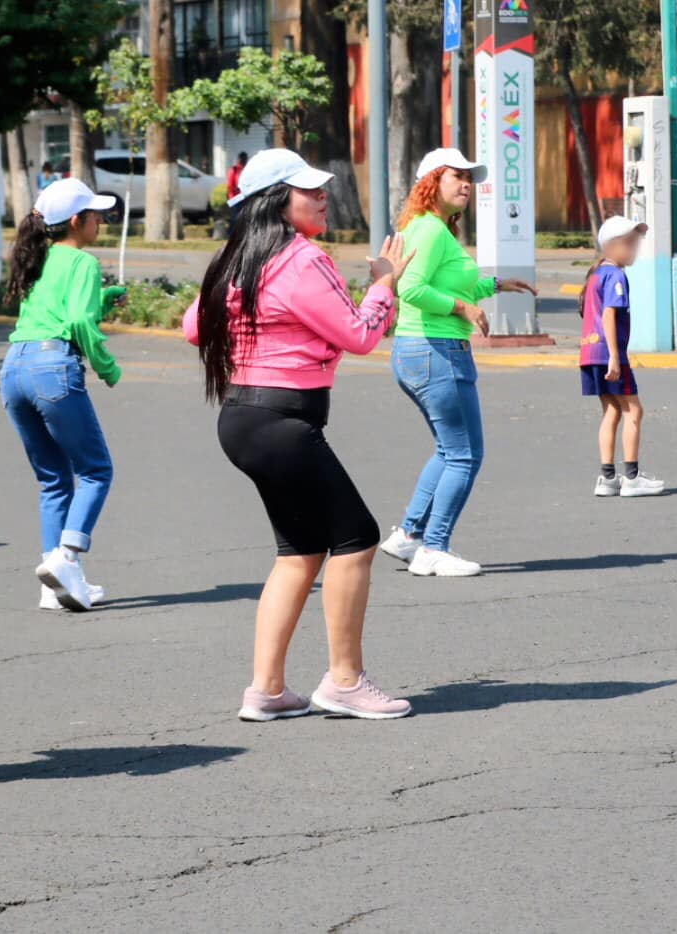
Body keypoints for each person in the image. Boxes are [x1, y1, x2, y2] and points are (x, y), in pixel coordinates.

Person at [184, 148, 415, 721]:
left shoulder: (236, 258)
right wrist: (384, 284)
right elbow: (361, 335)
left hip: (242, 419)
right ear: (276, 201)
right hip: (282, 421)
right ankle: (344, 681)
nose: (323, 197)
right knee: (357, 538)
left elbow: (194, 327)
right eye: (309, 190)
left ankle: (266, 691)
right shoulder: (300, 259)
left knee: (301, 551)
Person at [376, 148, 536, 578]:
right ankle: (434, 547)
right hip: (437, 351)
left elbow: (443, 282)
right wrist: (463, 308)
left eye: (470, 177)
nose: (467, 184)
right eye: (456, 176)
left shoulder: (431, 229)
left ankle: (410, 536)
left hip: (419, 352)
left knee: (449, 451)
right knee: (465, 455)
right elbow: (408, 288)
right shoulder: (429, 229)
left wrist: (493, 285)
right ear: (431, 182)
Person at [0, 177, 125, 613]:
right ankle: (67, 559)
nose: (101, 220)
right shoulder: (83, 261)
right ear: (77, 220)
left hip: (14, 368)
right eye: (96, 214)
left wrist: (102, 299)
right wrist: (107, 367)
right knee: (96, 470)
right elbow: (78, 323)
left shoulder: (39, 256)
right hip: (54, 369)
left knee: (53, 478)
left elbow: (53, 310)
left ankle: (54, 583)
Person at [582, 216, 662, 498]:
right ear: (612, 246)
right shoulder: (616, 275)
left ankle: (607, 478)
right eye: (629, 244)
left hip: (589, 352)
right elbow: (608, 314)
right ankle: (631, 477)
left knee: (612, 410)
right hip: (608, 353)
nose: (634, 249)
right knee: (634, 410)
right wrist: (615, 356)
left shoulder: (596, 274)